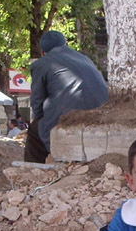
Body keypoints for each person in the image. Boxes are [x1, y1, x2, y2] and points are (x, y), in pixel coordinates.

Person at [25, 30, 108, 163]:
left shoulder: (41, 64)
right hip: (102, 113)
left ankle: (33, 173)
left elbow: (37, 102)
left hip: (69, 115)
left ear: (42, 52)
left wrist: (42, 122)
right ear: (66, 44)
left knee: (35, 131)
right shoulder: (85, 58)